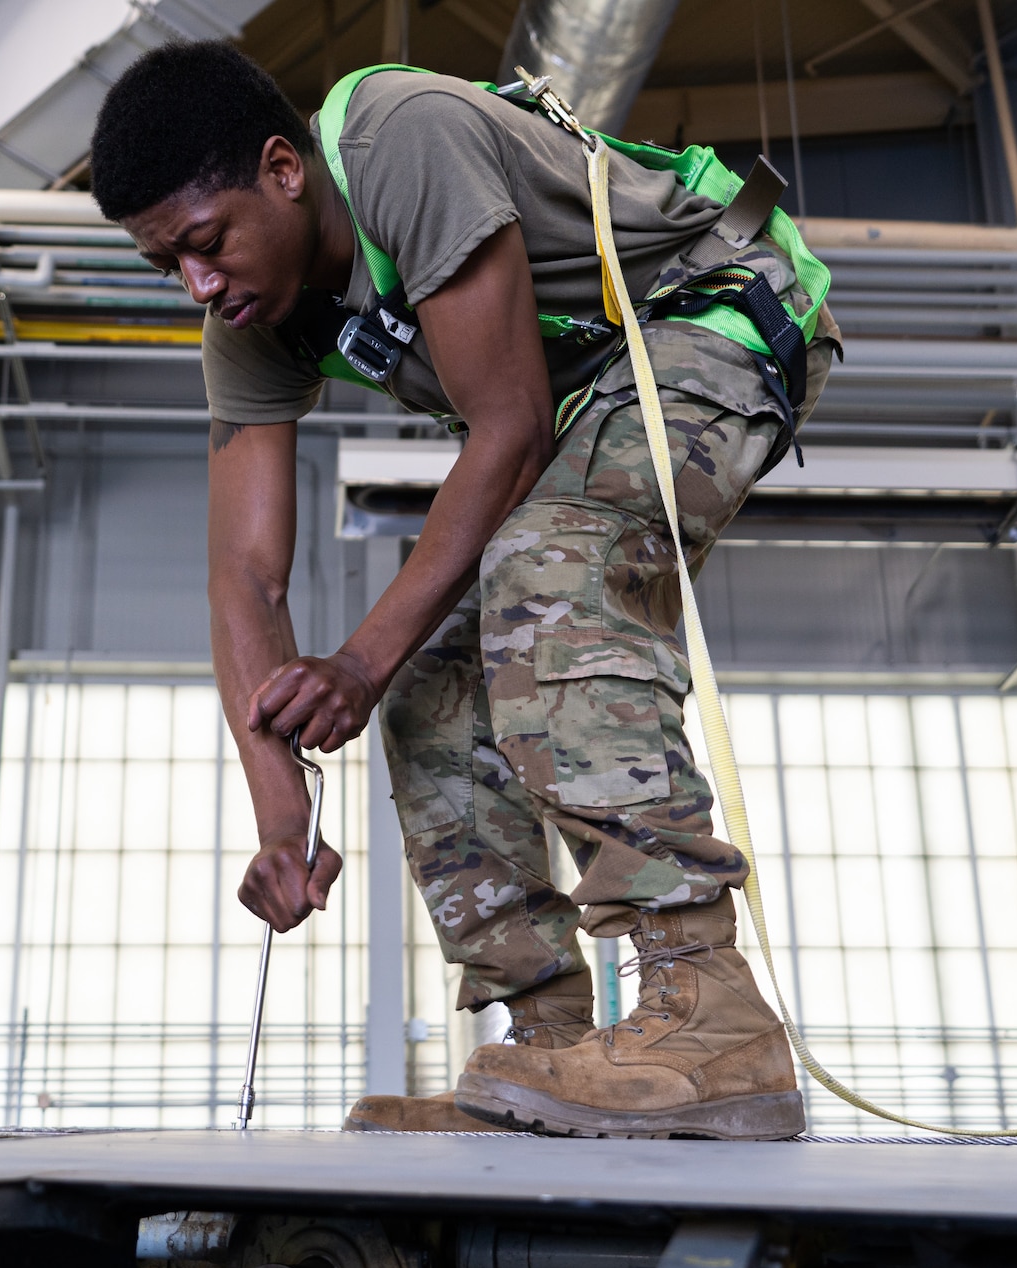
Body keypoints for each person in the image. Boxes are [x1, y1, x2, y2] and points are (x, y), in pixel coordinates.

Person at [88, 40, 837, 1139]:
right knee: (429, 689)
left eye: (205, 244)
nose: (199, 285)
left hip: (712, 307)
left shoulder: (398, 139)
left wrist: (351, 657)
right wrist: (281, 813)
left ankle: (707, 1003)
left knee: (550, 574)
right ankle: (544, 1045)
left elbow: (511, 429)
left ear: (283, 170)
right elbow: (243, 578)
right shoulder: (251, 322)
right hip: (586, 389)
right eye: (169, 267)